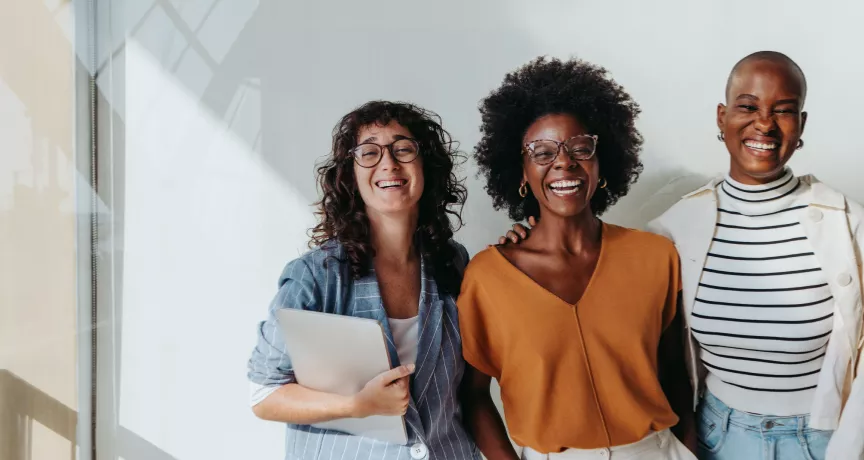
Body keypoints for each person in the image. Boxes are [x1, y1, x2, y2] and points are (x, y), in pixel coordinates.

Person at [501, 52, 864, 460]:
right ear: (721, 117)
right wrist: (531, 241)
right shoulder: (673, 231)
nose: (764, 123)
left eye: (783, 110)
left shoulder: (849, 227)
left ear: (801, 124)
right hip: (716, 436)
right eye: (748, 107)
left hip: (821, 440)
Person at [459, 57, 697, 460]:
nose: (564, 162)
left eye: (580, 148)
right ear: (520, 173)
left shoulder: (655, 256)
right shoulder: (487, 278)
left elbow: (677, 375)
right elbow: (474, 396)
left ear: (602, 163)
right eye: (542, 151)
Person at [247, 101, 480, 460]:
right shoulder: (315, 276)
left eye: (403, 148)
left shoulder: (453, 262)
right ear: (350, 175)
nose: (388, 163)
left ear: (426, 165)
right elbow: (264, 395)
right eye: (369, 152)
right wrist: (356, 405)